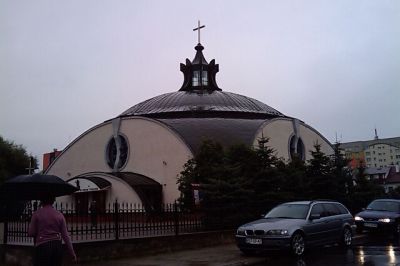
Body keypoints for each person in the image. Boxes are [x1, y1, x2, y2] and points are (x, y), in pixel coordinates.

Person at [28, 197, 77, 266]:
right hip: (57, 246)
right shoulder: (60, 215)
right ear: (53, 201)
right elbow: (66, 236)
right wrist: (72, 253)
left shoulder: (36, 214)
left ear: (42, 201)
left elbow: (31, 233)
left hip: (42, 246)